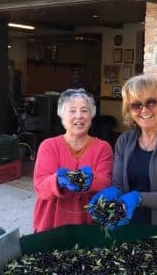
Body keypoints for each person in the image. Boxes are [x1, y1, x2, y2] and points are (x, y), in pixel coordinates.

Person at [88, 74, 157, 229]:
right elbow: (119, 185)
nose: (144, 110)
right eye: (136, 105)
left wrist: (138, 197)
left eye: (151, 102)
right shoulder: (124, 141)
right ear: (129, 110)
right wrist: (109, 193)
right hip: (131, 222)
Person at [33, 88, 113, 232]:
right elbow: (41, 187)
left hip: (89, 223)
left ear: (91, 116)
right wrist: (57, 180)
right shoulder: (48, 146)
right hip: (51, 221)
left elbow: (105, 182)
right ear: (62, 116)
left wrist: (90, 180)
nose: (79, 116)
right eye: (72, 111)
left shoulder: (103, 147)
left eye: (84, 110)